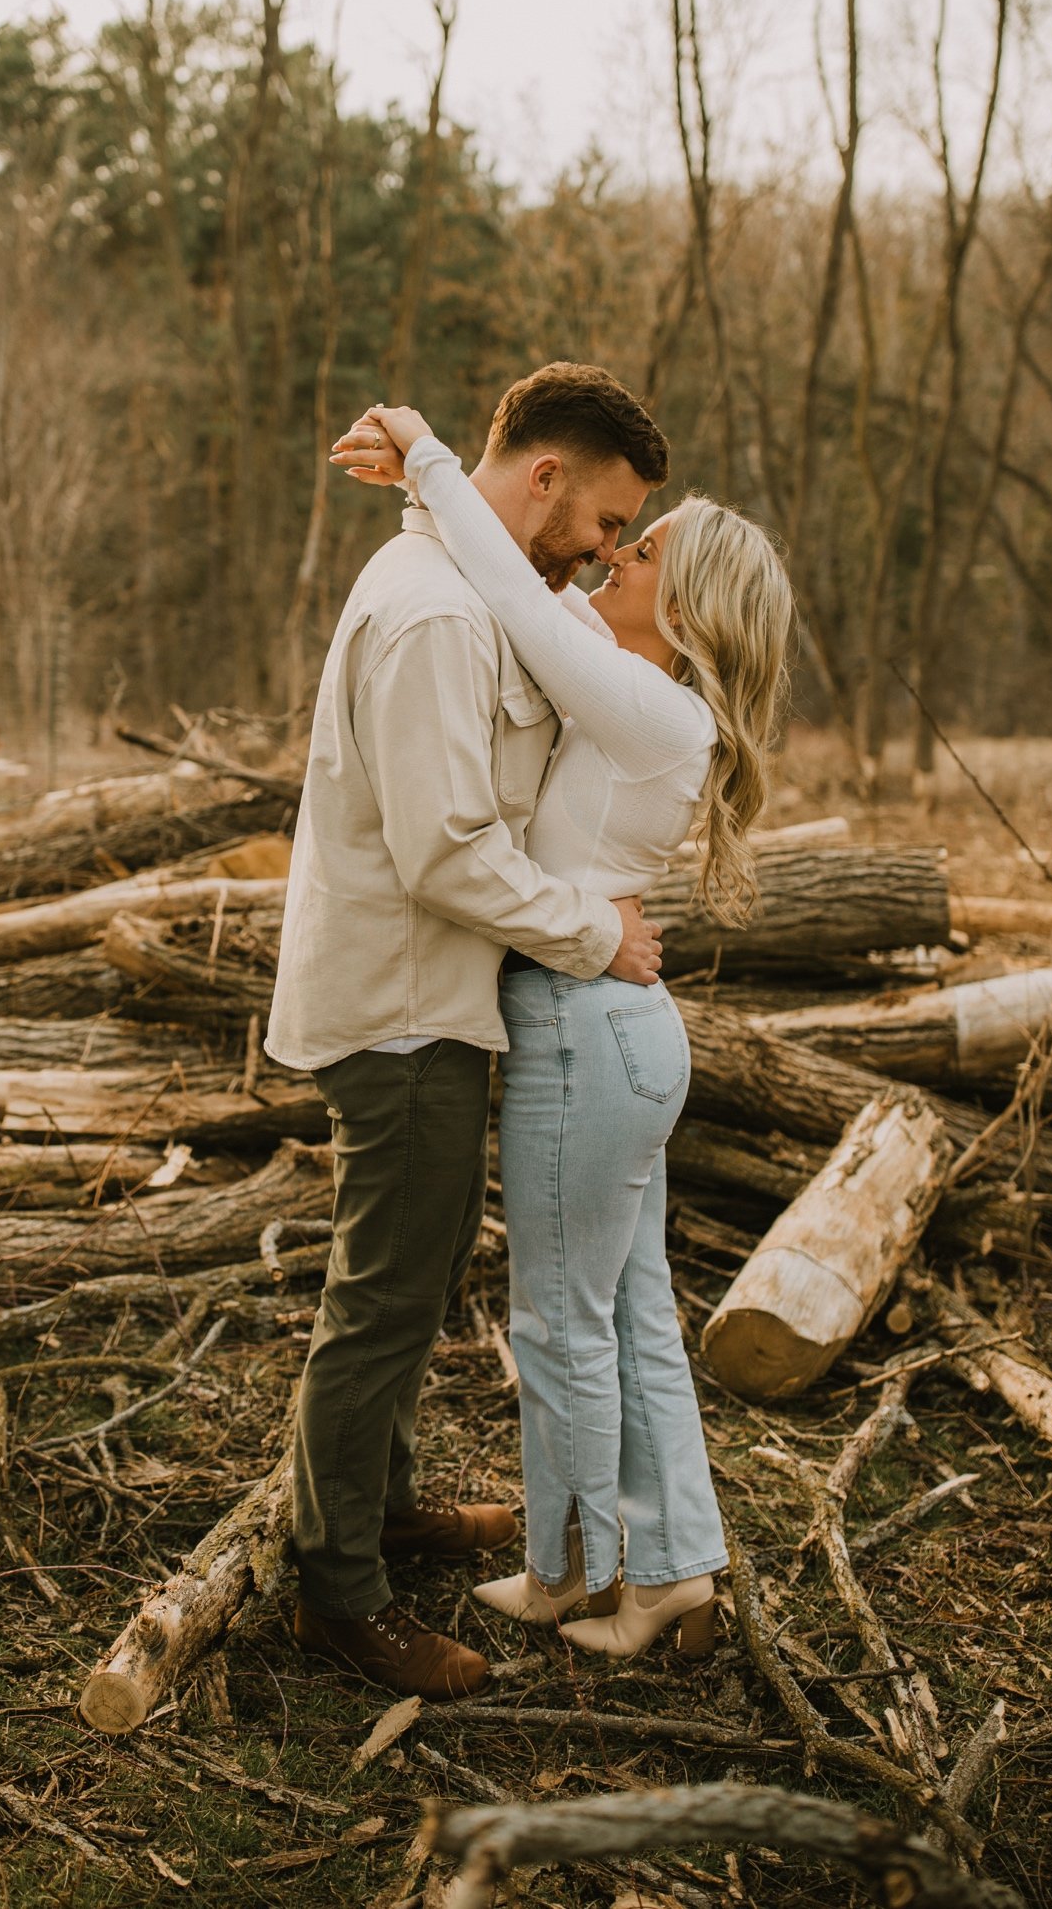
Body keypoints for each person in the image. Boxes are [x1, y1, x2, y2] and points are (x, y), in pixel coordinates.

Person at [331, 396, 793, 1661]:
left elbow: (523, 604)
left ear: (685, 612)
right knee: (631, 1315)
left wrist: (427, 456)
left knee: (560, 1321)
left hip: (591, 1032)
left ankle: (573, 1576)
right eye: (615, 536)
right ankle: (679, 1573)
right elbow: (519, 578)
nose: (607, 560)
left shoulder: (653, 707)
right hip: (607, 1025)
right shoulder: (627, 688)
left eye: (637, 554)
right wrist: (430, 494)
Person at [266, 362, 672, 1702]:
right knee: (383, 1296)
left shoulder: (477, 593)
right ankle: (340, 1593)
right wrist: (594, 931)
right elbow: (446, 852)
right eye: (607, 520)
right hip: (395, 1006)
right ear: (545, 474)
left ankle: (382, 1508)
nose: (607, 551)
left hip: (430, 1002)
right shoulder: (437, 613)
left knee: (414, 1276)